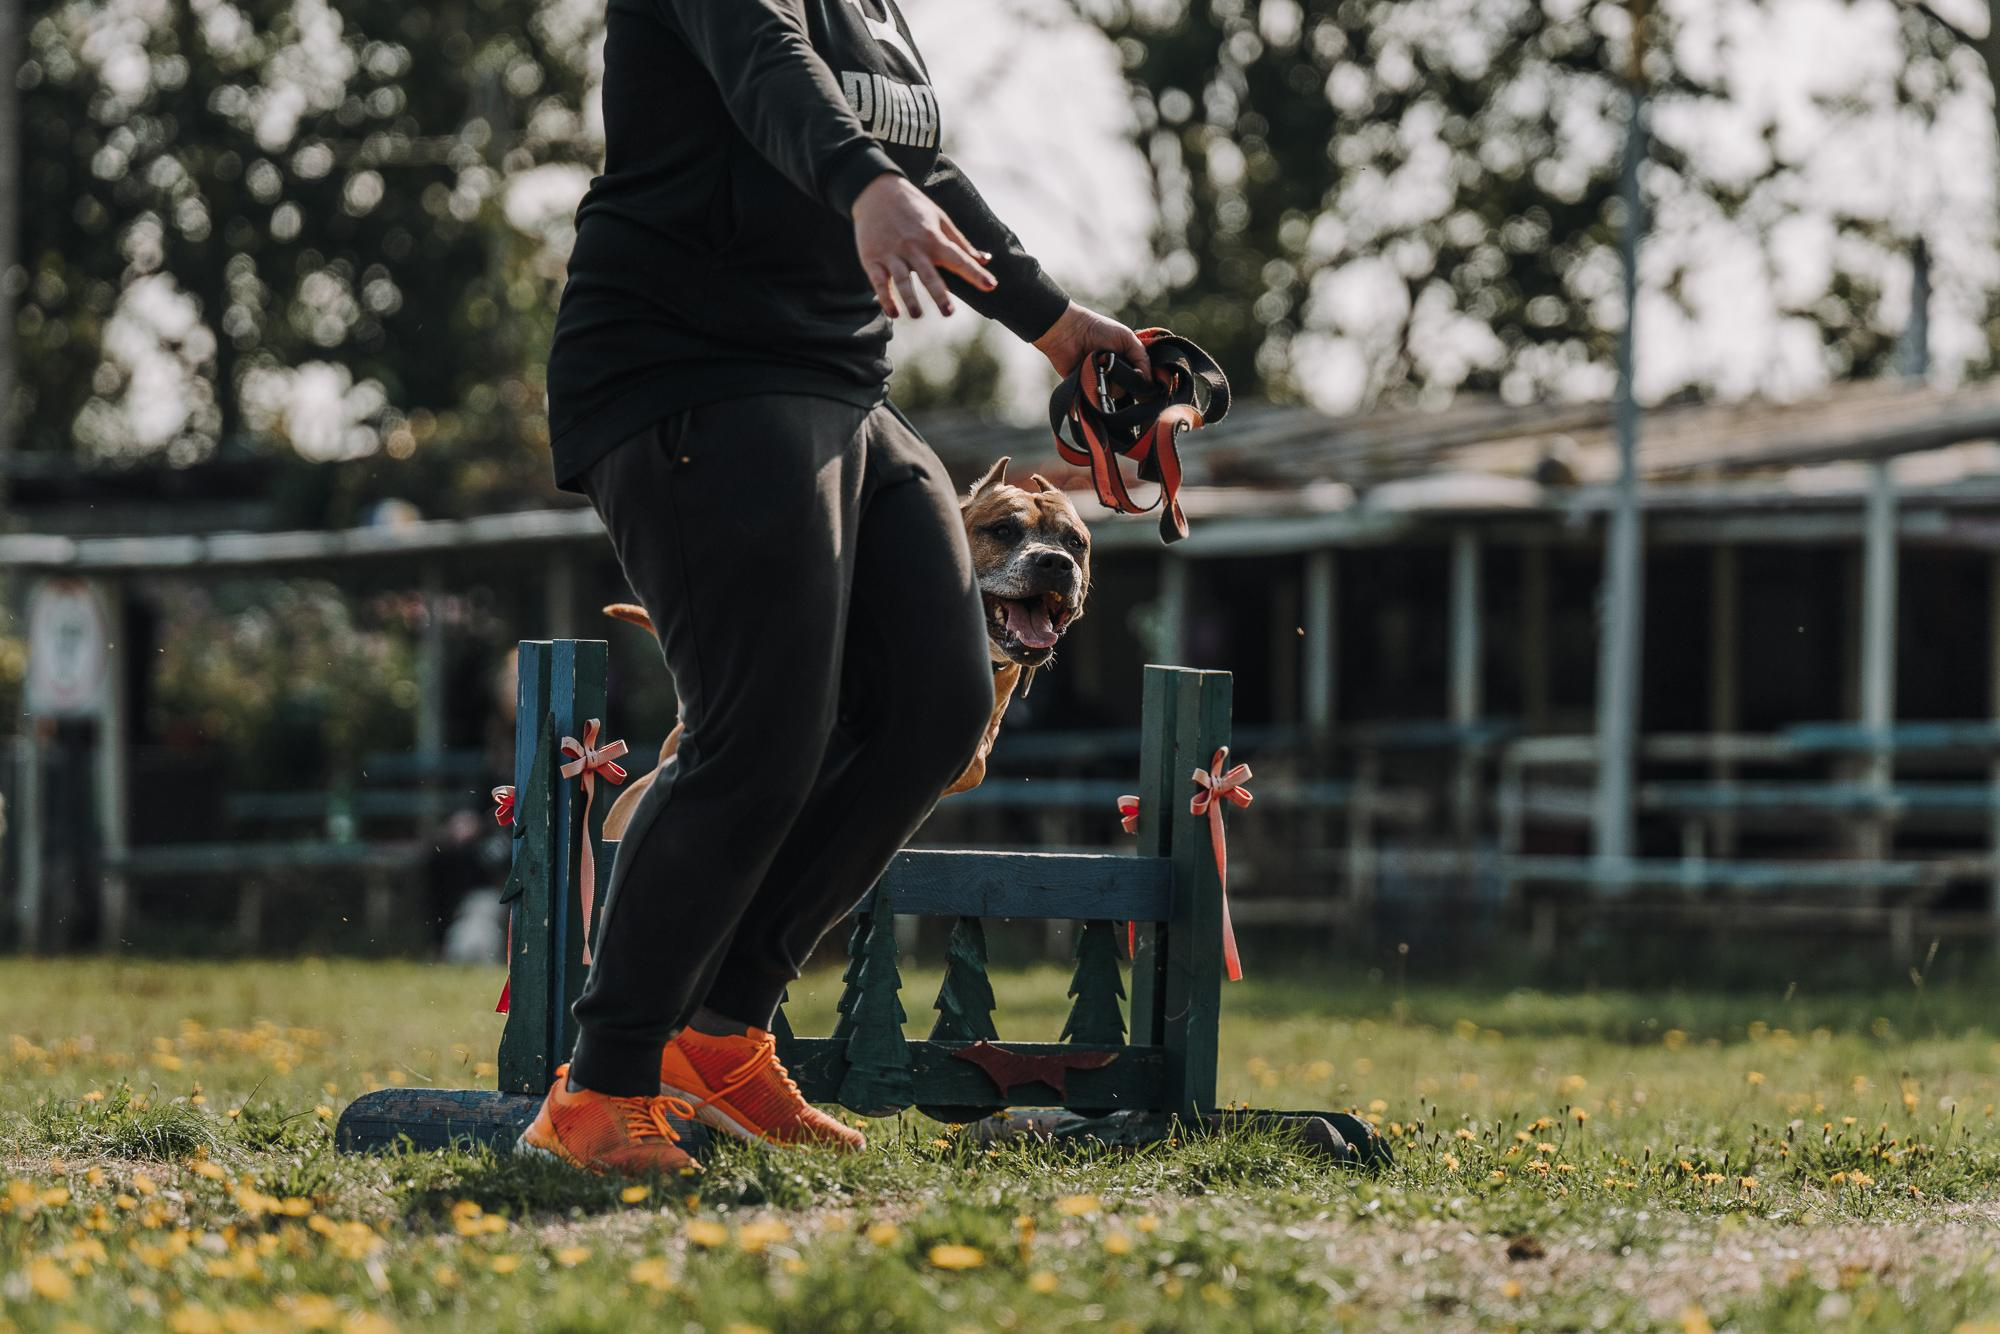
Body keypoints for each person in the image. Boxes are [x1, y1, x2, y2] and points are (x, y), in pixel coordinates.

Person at [516, 0, 1151, 1174]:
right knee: (760, 732)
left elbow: (917, 162)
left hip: (839, 381)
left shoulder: (871, 12)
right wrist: (862, 184)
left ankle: (719, 1036)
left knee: (934, 705)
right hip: (686, 373)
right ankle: (597, 1089)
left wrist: (1054, 325)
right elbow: (770, 72)